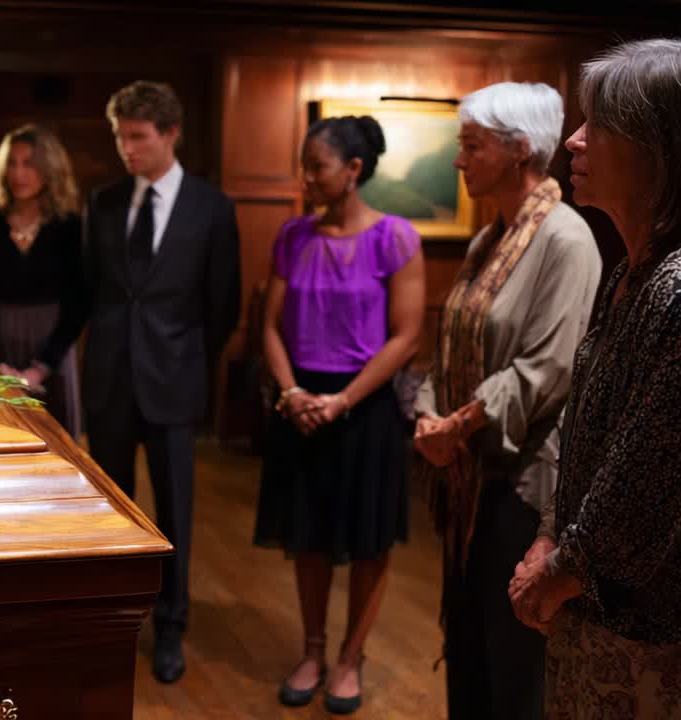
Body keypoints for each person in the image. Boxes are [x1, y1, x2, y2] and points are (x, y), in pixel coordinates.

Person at [508, 38, 681, 719]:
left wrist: (560, 570)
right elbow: (595, 430)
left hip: (660, 640)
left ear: (664, 149)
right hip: (606, 620)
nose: (574, 141)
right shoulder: (639, 269)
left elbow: (648, 482)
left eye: (600, 125)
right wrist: (549, 536)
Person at [412, 82, 601, 720]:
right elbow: (451, 343)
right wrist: (430, 414)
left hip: (522, 481)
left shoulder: (565, 239)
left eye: (471, 145)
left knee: (512, 667)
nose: (460, 161)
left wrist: (456, 424)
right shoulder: (487, 239)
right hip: (471, 475)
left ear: (521, 150)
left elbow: (548, 367)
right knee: (467, 649)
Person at [253, 115, 425, 714]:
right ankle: (313, 650)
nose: (306, 178)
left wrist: (343, 401)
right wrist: (291, 392)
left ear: (353, 171)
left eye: (317, 167)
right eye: (304, 165)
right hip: (300, 403)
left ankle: (351, 657)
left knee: (368, 540)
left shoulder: (395, 237)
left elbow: (405, 338)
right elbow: (268, 327)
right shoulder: (292, 235)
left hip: (365, 406)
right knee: (309, 538)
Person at [81, 80, 240, 684]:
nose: (127, 149)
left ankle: (172, 624)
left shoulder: (211, 207)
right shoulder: (103, 201)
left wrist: (187, 361)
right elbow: (90, 291)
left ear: (171, 134)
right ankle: (116, 620)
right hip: (110, 381)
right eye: (120, 137)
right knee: (113, 512)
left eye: (139, 137)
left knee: (175, 511)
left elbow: (221, 307)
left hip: (175, 380)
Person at [0, 124, 85, 438]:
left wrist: (41, 367)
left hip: (52, 347)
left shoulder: (69, 226)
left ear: (49, 169)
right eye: (12, 164)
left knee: (57, 448)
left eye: (29, 163)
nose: (19, 173)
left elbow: (78, 303)